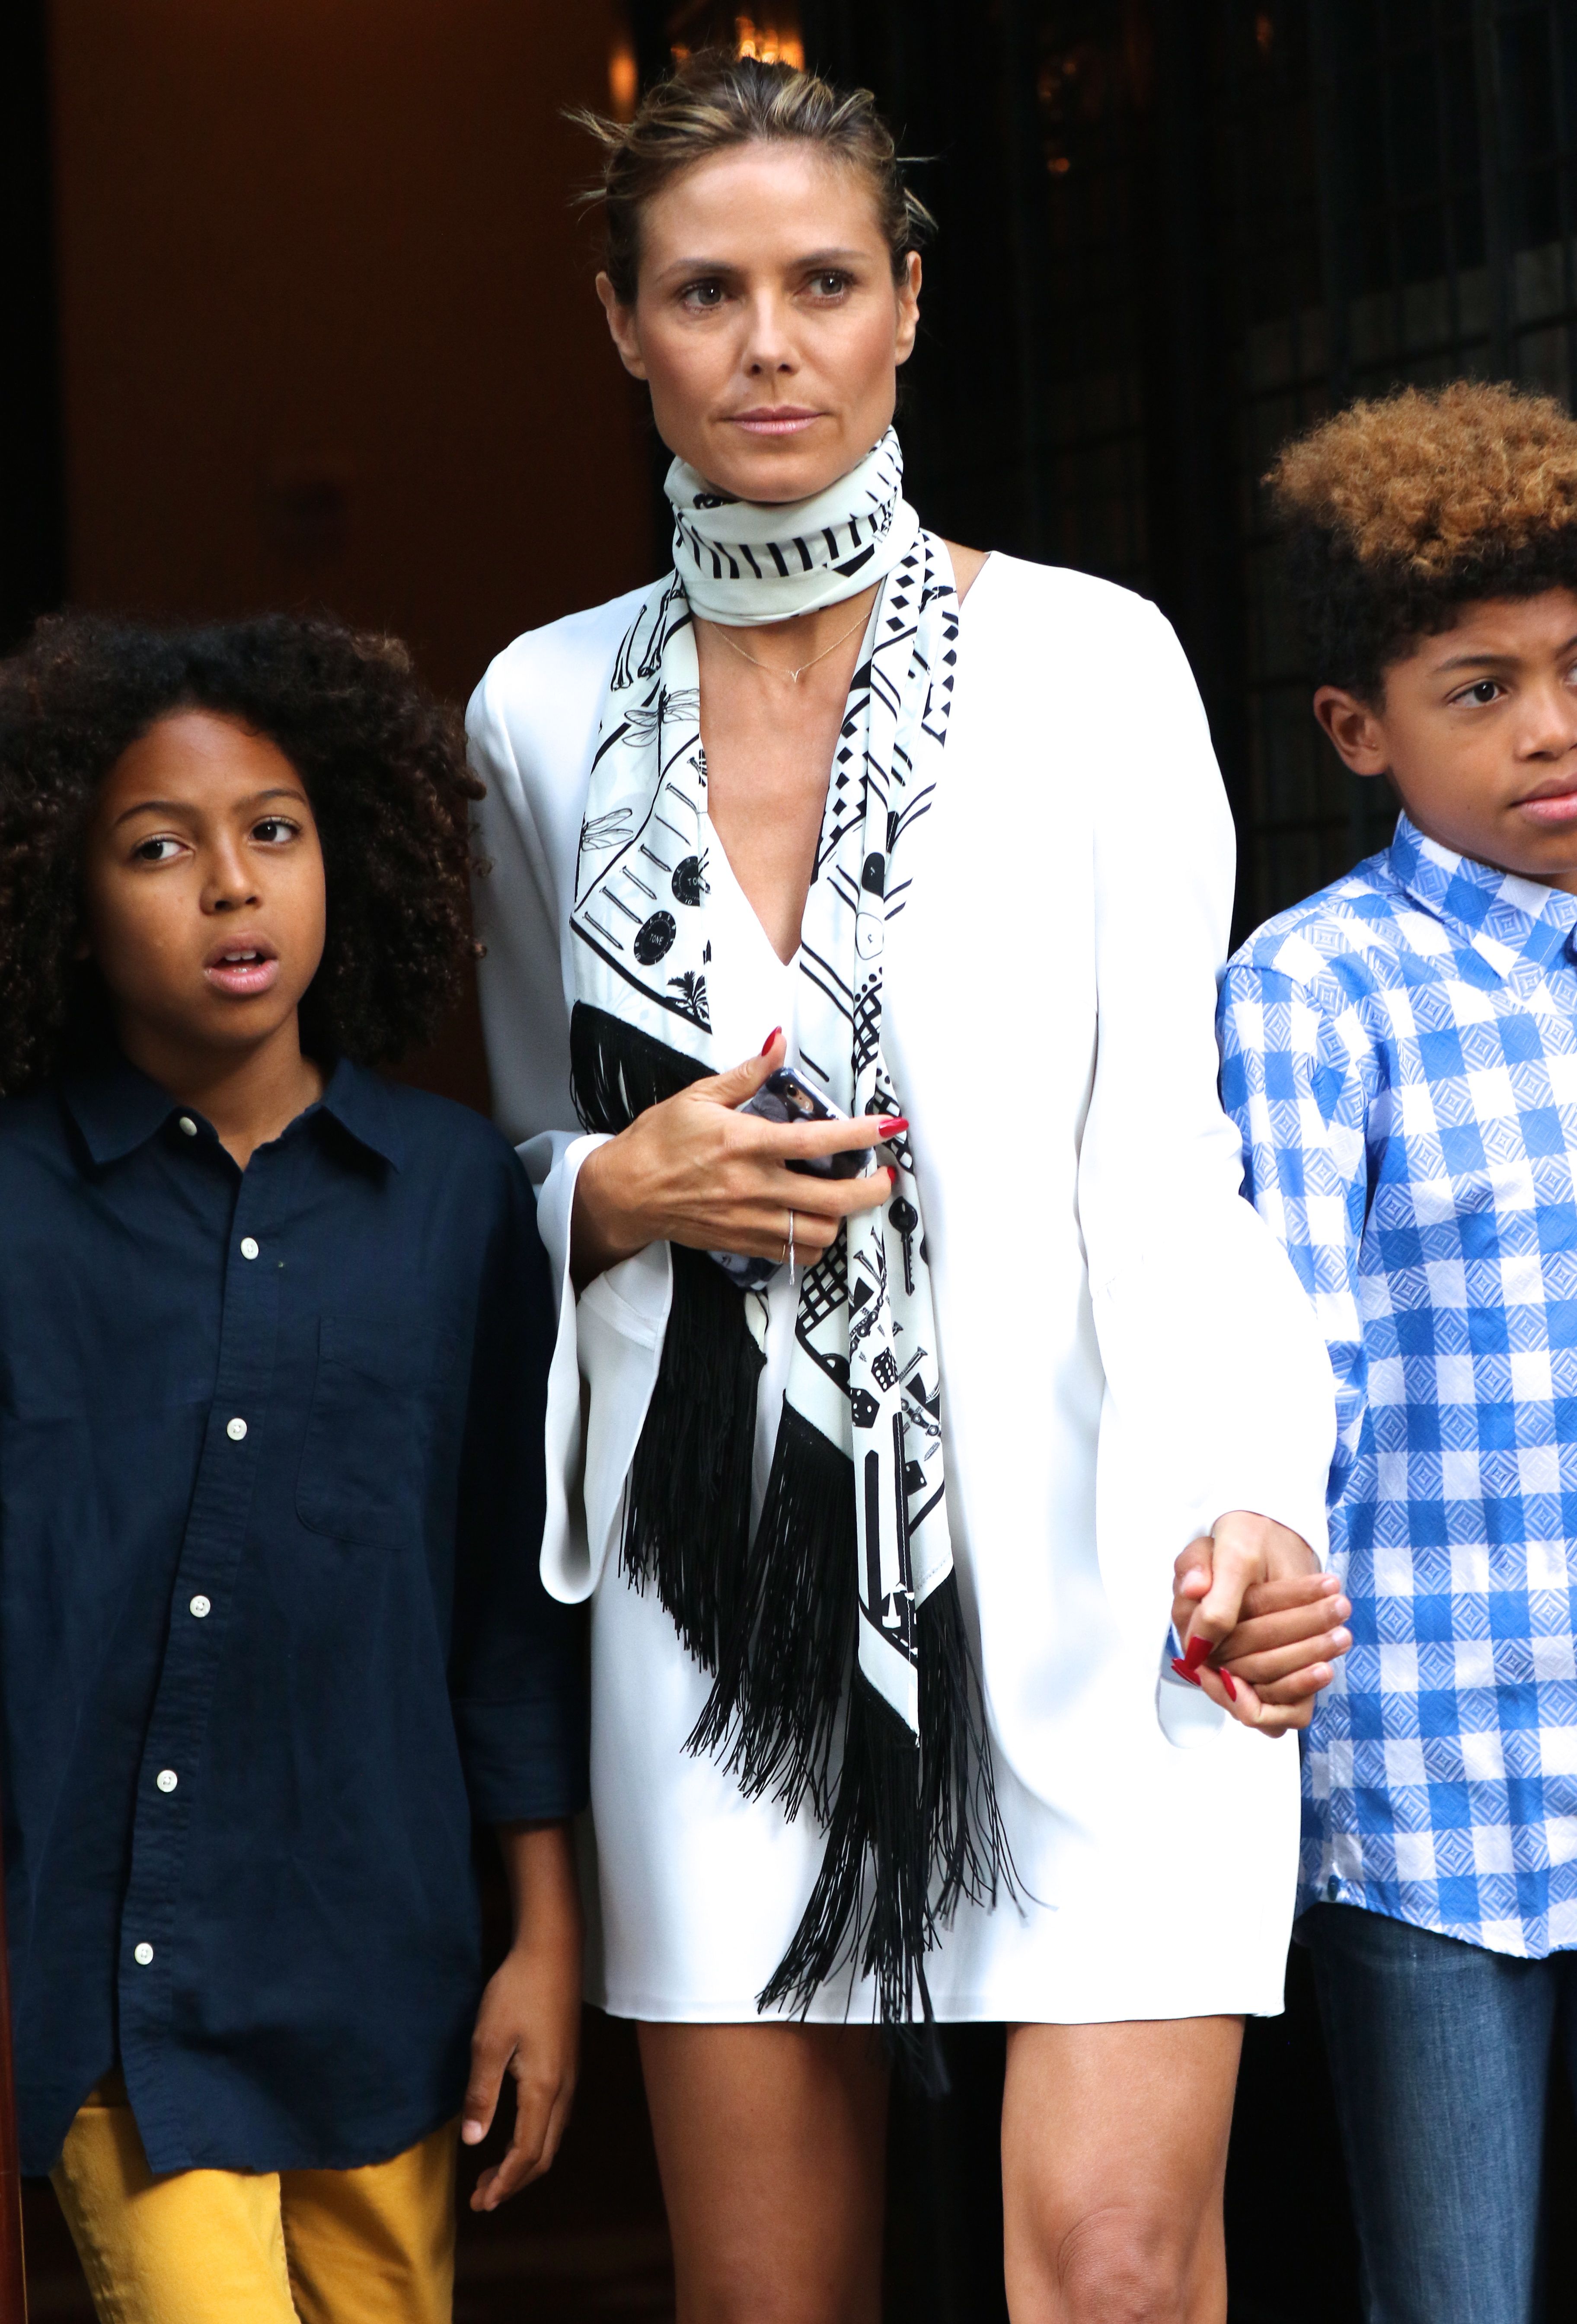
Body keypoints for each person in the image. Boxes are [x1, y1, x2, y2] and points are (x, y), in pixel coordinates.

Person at [469, 49, 1347, 2324]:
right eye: (705, 291)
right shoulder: (537, 717)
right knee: (771, 2301)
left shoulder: (1094, 660)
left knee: (1117, 2274)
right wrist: (612, 1191)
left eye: (825, 283)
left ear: (912, 306)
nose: (769, 344)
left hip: (1102, 1564)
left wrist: (1252, 1494)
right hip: (727, 1614)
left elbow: (1167, 1147)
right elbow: (516, 1162)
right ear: (620, 323)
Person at [0, 614, 586, 2324]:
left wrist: (544, 1942)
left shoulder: (455, 1201)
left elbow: (505, 1613)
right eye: (156, 848)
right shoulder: (16, 1210)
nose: (231, 885)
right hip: (120, 1995)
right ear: (66, 900)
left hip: (386, 1980)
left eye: (274, 830)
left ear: (350, 855)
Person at [1219, 380, 1577, 2324]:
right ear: (1359, 730)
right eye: (1482, 690)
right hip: (1443, 1789)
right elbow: (1291, 1374)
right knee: (1455, 2296)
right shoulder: (1314, 991)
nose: (1551, 728)